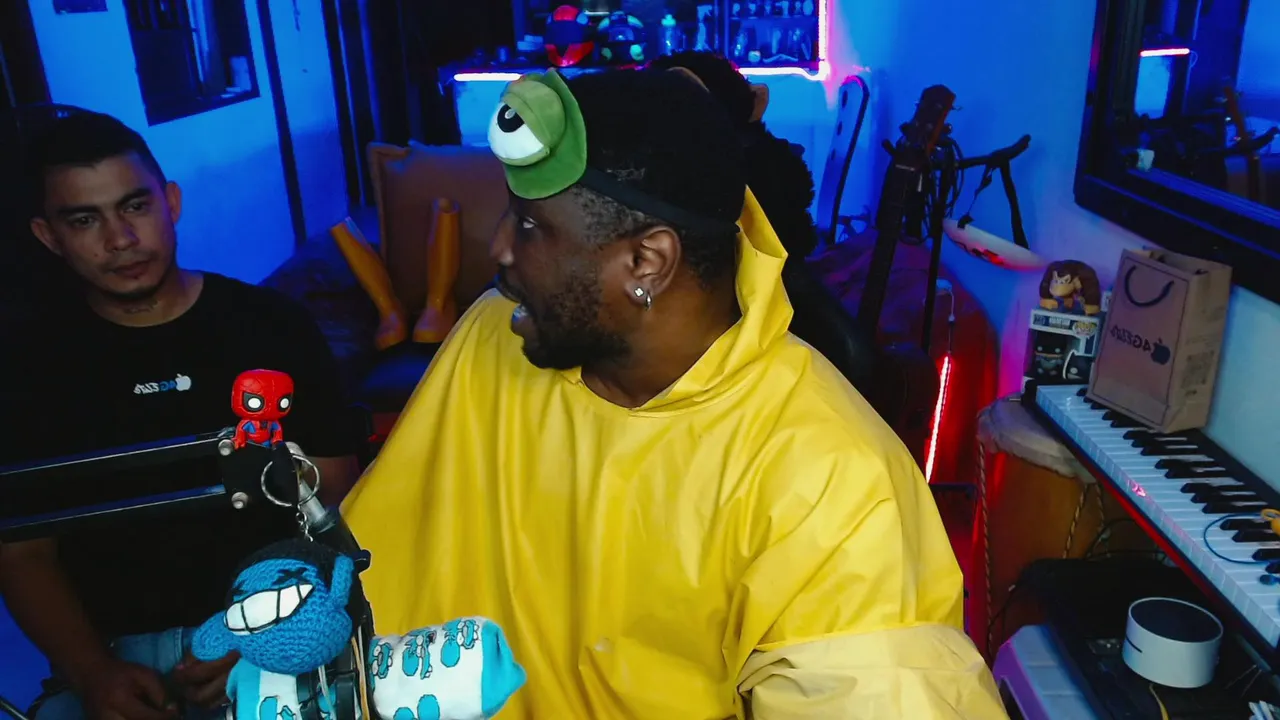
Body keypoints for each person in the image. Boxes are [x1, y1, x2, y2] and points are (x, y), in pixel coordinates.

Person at [341, 68, 1003, 718]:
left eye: (531, 225)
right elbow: (376, 557)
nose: (500, 250)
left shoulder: (830, 478)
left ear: (646, 262)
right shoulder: (494, 335)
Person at [0, 111, 360, 720]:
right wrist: (92, 673)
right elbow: (21, 552)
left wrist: (271, 631)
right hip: (112, 655)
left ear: (170, 202)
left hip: (281, 620)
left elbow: (339, 492)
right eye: (84, 220)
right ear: (48, 235)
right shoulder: (26, 368)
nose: (120, 239)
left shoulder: (272, 326)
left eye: (135, 206)